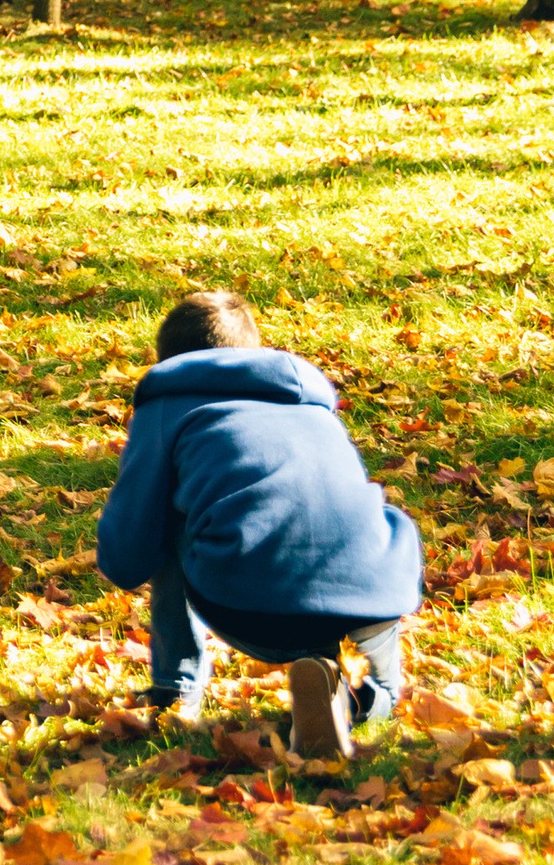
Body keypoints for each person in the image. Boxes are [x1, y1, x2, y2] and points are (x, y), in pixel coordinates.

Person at [96, 290, 422, 760]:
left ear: (169, 360)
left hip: (255, 602)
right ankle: (353, 700)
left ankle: (175, 691)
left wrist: (122, 560)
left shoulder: (168, 405)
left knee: (167, 514)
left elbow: (130, 547)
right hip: (369, 590)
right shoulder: (311, 404)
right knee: (385, 683)